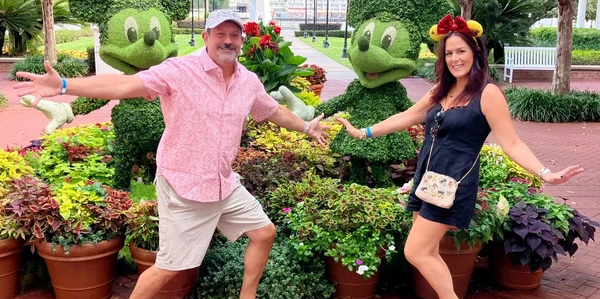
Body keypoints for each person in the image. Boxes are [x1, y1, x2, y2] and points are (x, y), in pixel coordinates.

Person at [14, 9, 329, 299]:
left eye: (234, 35)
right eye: (220, 33)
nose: (228, 40)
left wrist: (307, 128)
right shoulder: (180, 71)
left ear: (242, 41)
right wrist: (67, 84)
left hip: (223, 183)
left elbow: (273, 111)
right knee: (170, 267)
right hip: (185, 187)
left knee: (264, 232)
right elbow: (123, 85)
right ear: (206, 37)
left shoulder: (247, 82)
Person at [335, 15, 585, 299]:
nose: (455, 59)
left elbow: (512, 143)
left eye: (461, 51)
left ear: (476, 52)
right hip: (427, 180)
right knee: (427, 251)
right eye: (449, 53)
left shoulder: (487, 93)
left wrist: (545, 173)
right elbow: (407, 117)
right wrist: (364, 132)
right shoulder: (441, 89)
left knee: (414, 250)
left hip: (452, 185)